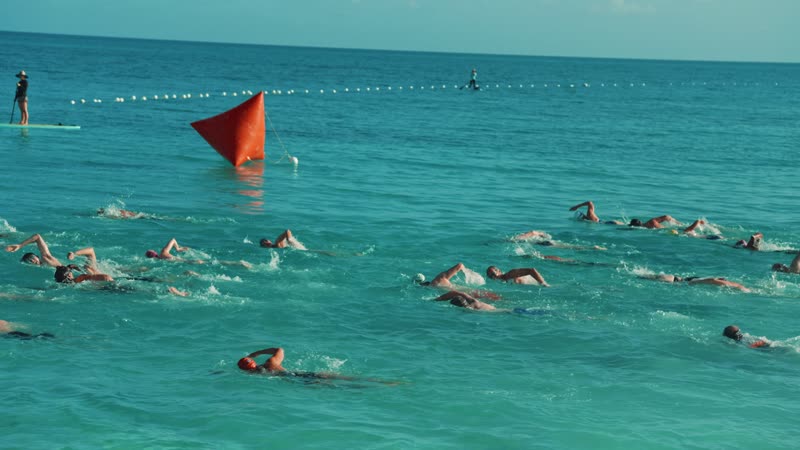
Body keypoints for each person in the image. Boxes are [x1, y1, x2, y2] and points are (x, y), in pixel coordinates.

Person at [238, 347, 373, 382]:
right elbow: (279, 349)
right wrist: (256, 353)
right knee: (342, 378)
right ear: (253, 362)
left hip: (296, 381)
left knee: (339, 387)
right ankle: (378, 381)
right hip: (301, 374)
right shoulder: (271, 363)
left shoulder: (256, 374)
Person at [641, 274, 750, 292]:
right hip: (671, 280)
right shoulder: (696, 281)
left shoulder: (697, 280)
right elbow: (712, 280)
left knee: (640, 276)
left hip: (673, 278)